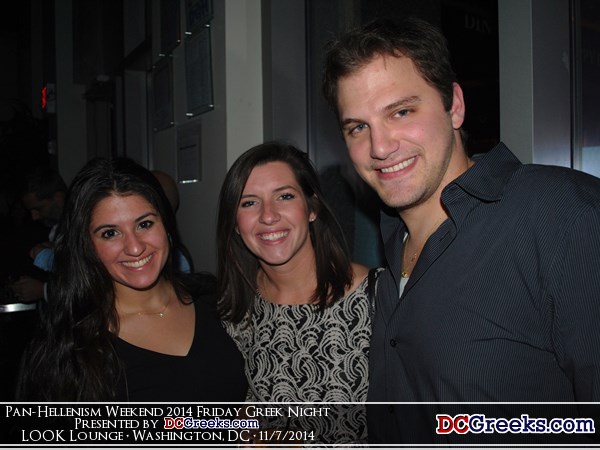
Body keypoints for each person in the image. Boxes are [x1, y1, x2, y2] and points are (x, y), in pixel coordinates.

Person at [322, 17, 600, 443]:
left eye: (401, 111)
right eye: (358, 127)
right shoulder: (391, 243)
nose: (379, 147)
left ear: (454, 105)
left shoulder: (565, 214)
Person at [18, 157, 247, 402]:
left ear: (166, 225)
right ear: (87, 246)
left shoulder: (220, 302)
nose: (135, 248)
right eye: (110, 233)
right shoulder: (68, 349)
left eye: (144, 224)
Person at [217, 142, 376, 444]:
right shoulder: (236, 308)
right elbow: (243, 409)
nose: (268, 216)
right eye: (249, 203)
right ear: (235, 224)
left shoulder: (375, 298)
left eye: (285, 196)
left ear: (312, 209)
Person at [10, 166, 66, 302]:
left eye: (38, 209)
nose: (34, 217)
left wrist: (44, 290)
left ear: (58, 198)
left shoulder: (84, 224)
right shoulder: (56, 227)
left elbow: (88, 283)